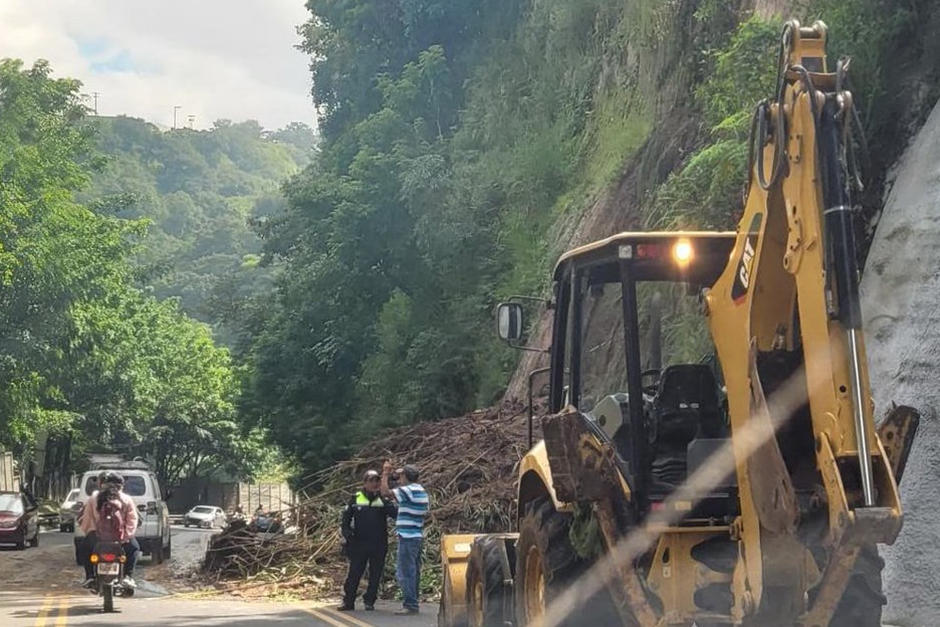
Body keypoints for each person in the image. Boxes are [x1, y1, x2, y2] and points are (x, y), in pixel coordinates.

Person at [337, 470, 396, 612]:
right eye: (371, 480)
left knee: (376, 574)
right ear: (365, 483)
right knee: (355, 573)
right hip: (359, 543)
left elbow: (394, 514)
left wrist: (384, 499)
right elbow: (345, 521)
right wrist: (348, 536)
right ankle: (348, 601)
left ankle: (369, 601)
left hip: (379, 543)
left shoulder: (382, 500)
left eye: (377, 481)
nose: (374, 483)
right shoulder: (356, 498)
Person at [381, 460, 429, 616]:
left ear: (406, 477)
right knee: (413, 571)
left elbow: (385, 493)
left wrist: (386, 473)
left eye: (401, 477)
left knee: (405, 571)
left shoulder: (408, 490)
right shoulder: (420, 490)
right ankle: (413, 602)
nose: (399, 480)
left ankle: (410, 604)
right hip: (416, 535)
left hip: (407, 536)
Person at [79, 472, 140, 589]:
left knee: (84, 548)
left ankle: (90, 576)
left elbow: (87, 519)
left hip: (97, 538)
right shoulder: (126, 499)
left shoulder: (94, 497)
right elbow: (132, 520)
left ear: (102, 484)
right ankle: (128, 576)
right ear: (121, 486)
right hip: (120, 538)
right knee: (134, 548)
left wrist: (92, 534)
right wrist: (126, 537)